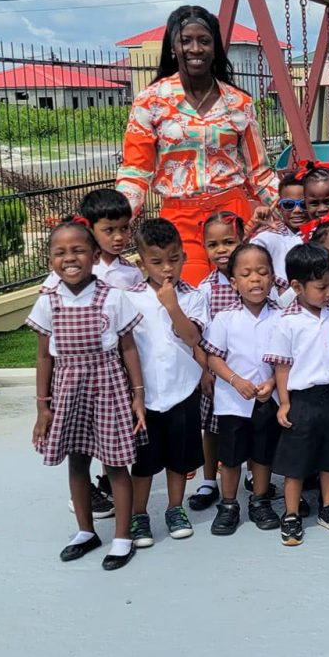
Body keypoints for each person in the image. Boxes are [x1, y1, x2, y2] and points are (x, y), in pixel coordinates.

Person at [115, 5, 278, 285]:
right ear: (173, 47)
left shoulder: (239, 103)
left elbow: (259, 172)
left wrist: (291, 205)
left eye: (204, 41)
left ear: (215, 47)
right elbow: (136, 172)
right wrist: (115, 219)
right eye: (186, 40)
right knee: (189, 295)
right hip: (179, 218)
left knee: (241, 293)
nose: (195, 48)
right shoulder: (150, 102)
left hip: (232, 217)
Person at [27, 217, 145, 571]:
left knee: (115, 463)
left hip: (108, 385)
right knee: (77, 460)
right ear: (50, 261)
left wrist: (137, 395)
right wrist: (42, 408)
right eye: (60, 252)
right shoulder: (48, 302)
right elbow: (44, 356)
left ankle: (122, 536)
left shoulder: (113, 297)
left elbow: (128, 349)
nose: (70, 258)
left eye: (78, 250)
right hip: (68, 389)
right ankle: (85, 531)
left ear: (95, 255)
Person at [43, 189, 140, 521]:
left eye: (125, 228)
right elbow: (49, 336)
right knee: (83, 436)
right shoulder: (74, 272)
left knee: (112, 433)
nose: (119, 237)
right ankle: (86, 497)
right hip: (76, 372)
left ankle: (111, 486)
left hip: (116, 366)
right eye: (109, 230)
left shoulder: (131, 273)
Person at [265, 244, 329, 546]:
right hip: (303, 400)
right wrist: (284, 403)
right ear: (297, 286)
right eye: (321, 287)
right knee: (296, 462)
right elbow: (282, 366)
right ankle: (292, 513)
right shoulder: (287, 322)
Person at [123, 219, 207, 548]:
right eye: (157, 262)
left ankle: (175, 509)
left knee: (179, 458)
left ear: (184, 257)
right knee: (144, 461)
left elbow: (192, 337)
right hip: (144, 396)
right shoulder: (128, 298)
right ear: (141, 263)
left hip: (181, 390)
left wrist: (172, 306)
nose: (167, 268)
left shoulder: (193, 296)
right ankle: (139, 514)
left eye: (174, 258)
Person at [201, 243, 283, 535]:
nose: (255, 279)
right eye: (246, 274)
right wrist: (235, 380)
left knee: (262, 454)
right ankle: (229, 504)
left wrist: (272, 382)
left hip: (268, 398)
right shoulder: (225, 318)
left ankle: (260, 501)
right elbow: (213, 357)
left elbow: (288, 358)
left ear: (272, 278)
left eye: (262, 272)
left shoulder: (282, 316)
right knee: (232, 455)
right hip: (232, 401)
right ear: (234, 283)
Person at [189, 210, 248, 513]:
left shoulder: (256, 279)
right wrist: (205, 372)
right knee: (212, 428)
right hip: (218, 372)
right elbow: (199, 337)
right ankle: (209, 480)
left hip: (251, 371)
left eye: (229, 241)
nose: (222, 250)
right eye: (213, 245)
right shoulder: (205, 289)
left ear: (243, 241)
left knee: (251, 425)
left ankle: (252, 475)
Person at [252, 171, 307, 290]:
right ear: (279, 208)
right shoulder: (267, 239)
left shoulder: (321, 234)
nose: (297, 210)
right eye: (288, 204)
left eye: (304, 204)